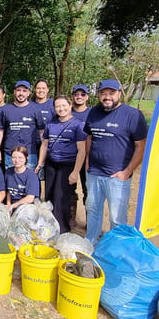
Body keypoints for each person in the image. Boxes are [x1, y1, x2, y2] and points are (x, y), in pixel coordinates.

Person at [84, 78, 148, 244]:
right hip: (94, 174)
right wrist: (87, 161)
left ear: (119, 93)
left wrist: (127, 172)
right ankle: (90, 242)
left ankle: (117, 248)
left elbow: (141, 145)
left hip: (117, 176)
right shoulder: (93, 112)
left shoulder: (132, 115)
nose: (107, 97)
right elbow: (89, 137)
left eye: (111, 93)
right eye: (103, 93)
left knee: (117, 216)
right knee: (92, 210)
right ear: (98, 95)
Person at [37, 95, 86, 233]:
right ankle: (48, 225)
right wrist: (40, 163)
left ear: (70, 106)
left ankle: (62, 228)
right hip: (51, 164)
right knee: (49, 195)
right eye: (58, 106)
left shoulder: (78, 124)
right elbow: (45, 145)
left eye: (64, 105)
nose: (61, 108)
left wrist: (75, 172)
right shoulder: (51, 124)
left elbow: (82, 150)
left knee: (61, 197)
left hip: (68, 165)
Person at [0, 80, 45, 170]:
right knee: (11, 182)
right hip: (10, 154)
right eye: (18, 90)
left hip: (30, 154)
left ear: (29, 93)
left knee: (30, 182)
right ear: (14, 92)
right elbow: (0, 130)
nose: (21, 93)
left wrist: (44, 154)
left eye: (24, 91)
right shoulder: (6, 109)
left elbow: (42, 133)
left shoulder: (35, 110)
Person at [70, 84, 91, 224]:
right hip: (71, 156)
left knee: (88, 190)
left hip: (88, 157)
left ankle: (91, 222)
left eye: (82, 94)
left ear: (87, 97)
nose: (79, 97)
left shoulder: (92, 113)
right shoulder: (67, 111)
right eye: (76, 94)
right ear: (72, 96)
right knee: (69, 189)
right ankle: (71, 219)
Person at [5, 146, 40, 210]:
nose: (17, 160)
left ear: (26, 158)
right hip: (11, 206)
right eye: (14, 157)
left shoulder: (31, 175)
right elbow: (8, 192)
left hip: (26, 207)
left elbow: (30, 198)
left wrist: (13, 206)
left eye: (20, 157)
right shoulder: (8, 172)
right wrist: (8, 204)